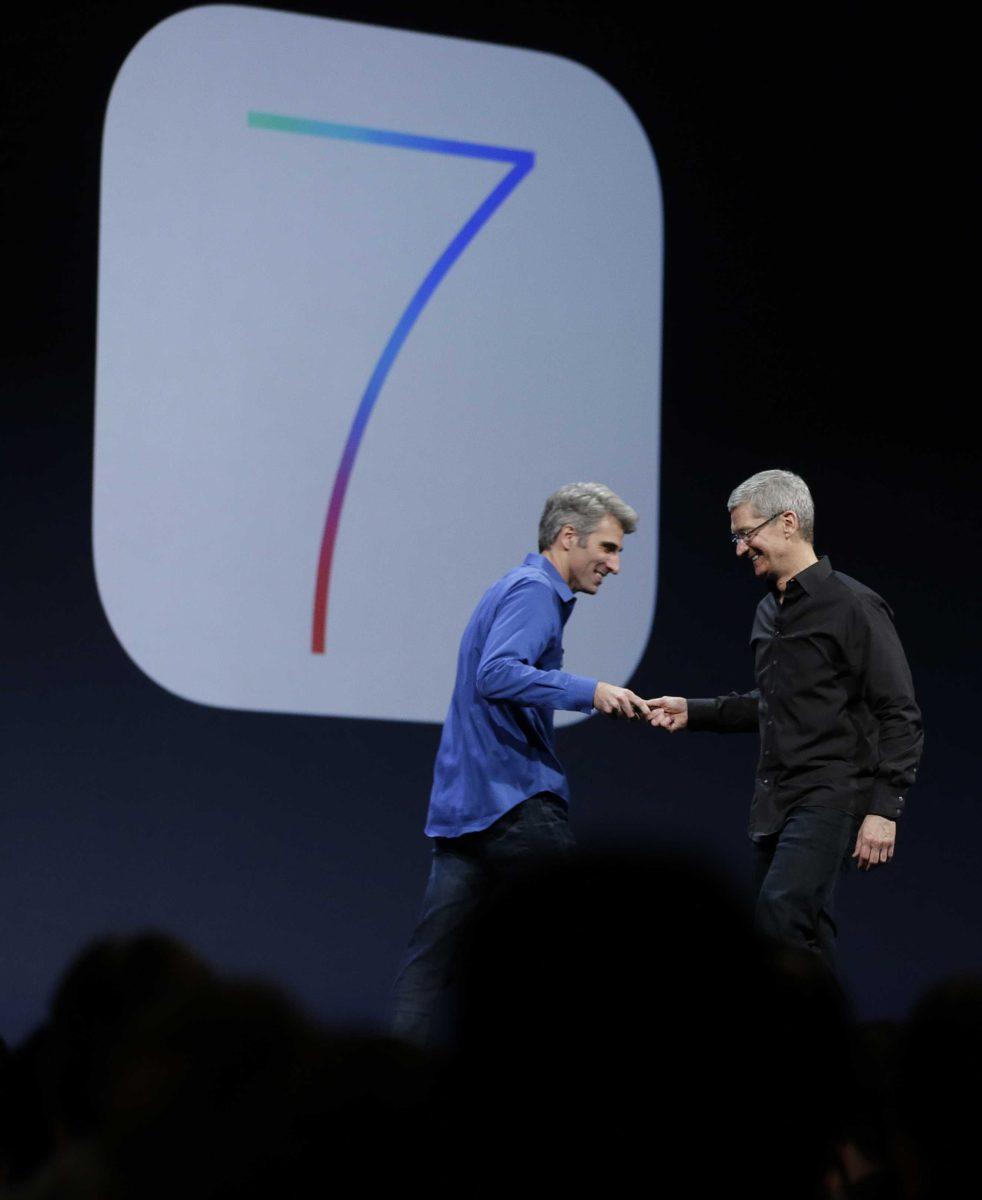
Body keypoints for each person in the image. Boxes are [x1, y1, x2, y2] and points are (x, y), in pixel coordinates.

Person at [391, 482, 649, 1045]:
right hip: (515, 804)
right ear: (567, 537)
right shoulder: (534, 590)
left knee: (431, 966)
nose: (616, 564)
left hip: (468, 810)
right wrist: (592, 690)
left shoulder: (515, 587)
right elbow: (497, 673)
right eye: (608, 548)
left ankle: (387, 1086)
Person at [648, 468, 923, 974]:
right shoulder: (767, 613)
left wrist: (885, 809)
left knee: (782, 914)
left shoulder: (853, 606)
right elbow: (775, 702)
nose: (738, 549)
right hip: (775, 798)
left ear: (788, 522)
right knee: (794, 934)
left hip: (831, 793)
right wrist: (695, 711)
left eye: (745, 534)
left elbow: (900, 711)